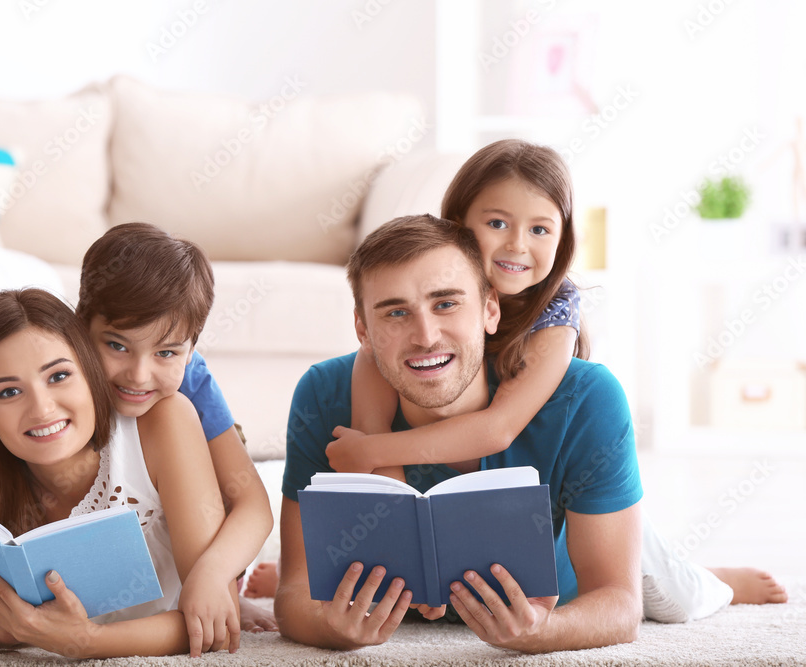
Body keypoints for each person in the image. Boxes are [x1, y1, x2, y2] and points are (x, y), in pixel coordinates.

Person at [254, 140, 787, 617]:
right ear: (457, 225)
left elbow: (500, 428)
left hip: (597, 529)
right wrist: (380, 482)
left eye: (539, 229)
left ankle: (717, 581)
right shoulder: (408, 305)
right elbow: (371, 369)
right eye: (497, 224)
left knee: (668, 589)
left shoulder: (555, 313)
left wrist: (372, 449)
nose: (515, 246)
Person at [0, 223, 275, 656]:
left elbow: (253, 505)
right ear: (80, 330)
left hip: (189, 495)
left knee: (210, 563)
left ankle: (229, 582)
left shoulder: (176, 397)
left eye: (166, 352)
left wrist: (214, 574)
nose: (139, 374)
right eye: (116, 345)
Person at [275, 214, 645, 652]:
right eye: (396, 313)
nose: (426, 336)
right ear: (363, 330)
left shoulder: (587, 398)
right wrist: (330, 629)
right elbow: (293, 597)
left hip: (626, 554)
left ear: (491, 309)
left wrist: (541, 631)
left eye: (446, 304)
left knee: (677, 588)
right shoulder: (323, 394)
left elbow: (621, 605)